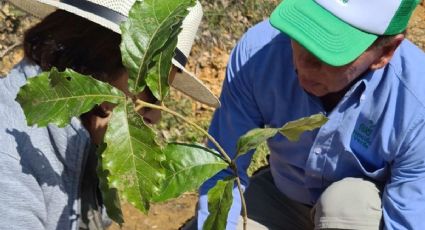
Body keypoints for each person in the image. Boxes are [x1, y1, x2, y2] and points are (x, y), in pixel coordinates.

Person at [190, 0, 425, 229]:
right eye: (302, 35)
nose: (304, 63)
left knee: (347, 202)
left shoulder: (416, 103)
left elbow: (407, 218)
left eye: (330, 52)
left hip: (363, 213)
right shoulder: (258, 54)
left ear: (386, 51)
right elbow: (224, 167)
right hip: (284, 195)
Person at [0, 0, 218, 229]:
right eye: (152, 93)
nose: (156, 117)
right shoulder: (9, 159)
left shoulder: (85, 133)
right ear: (99, 65)